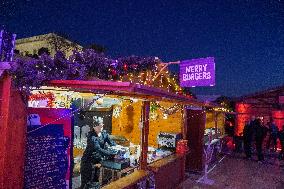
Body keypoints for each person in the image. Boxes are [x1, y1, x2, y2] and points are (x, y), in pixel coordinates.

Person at [80, 116, 117, 189]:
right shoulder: (91, 136)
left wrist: (118, 148)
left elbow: (112, 143)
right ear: (94, 126)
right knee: (86, 183)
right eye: (99, 125)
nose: (101, 126)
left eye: (102, 124)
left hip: (98, 161)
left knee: (96, 182)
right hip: (88, 162)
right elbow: (98, 149)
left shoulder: (104, 133)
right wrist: (111, 154)